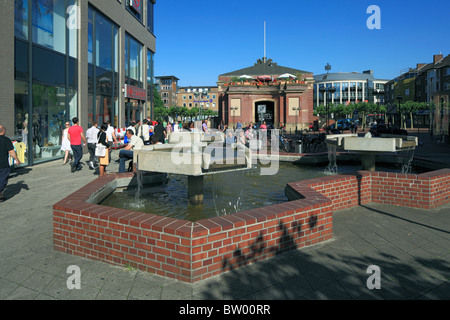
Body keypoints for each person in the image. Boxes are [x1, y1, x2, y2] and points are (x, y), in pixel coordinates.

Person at [0, 125, 21, 202]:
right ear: (3, 131)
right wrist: (16, 159)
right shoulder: (6, 140)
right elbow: (11, 151)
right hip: (2, 164)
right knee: (2, 179)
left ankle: (1, 195)